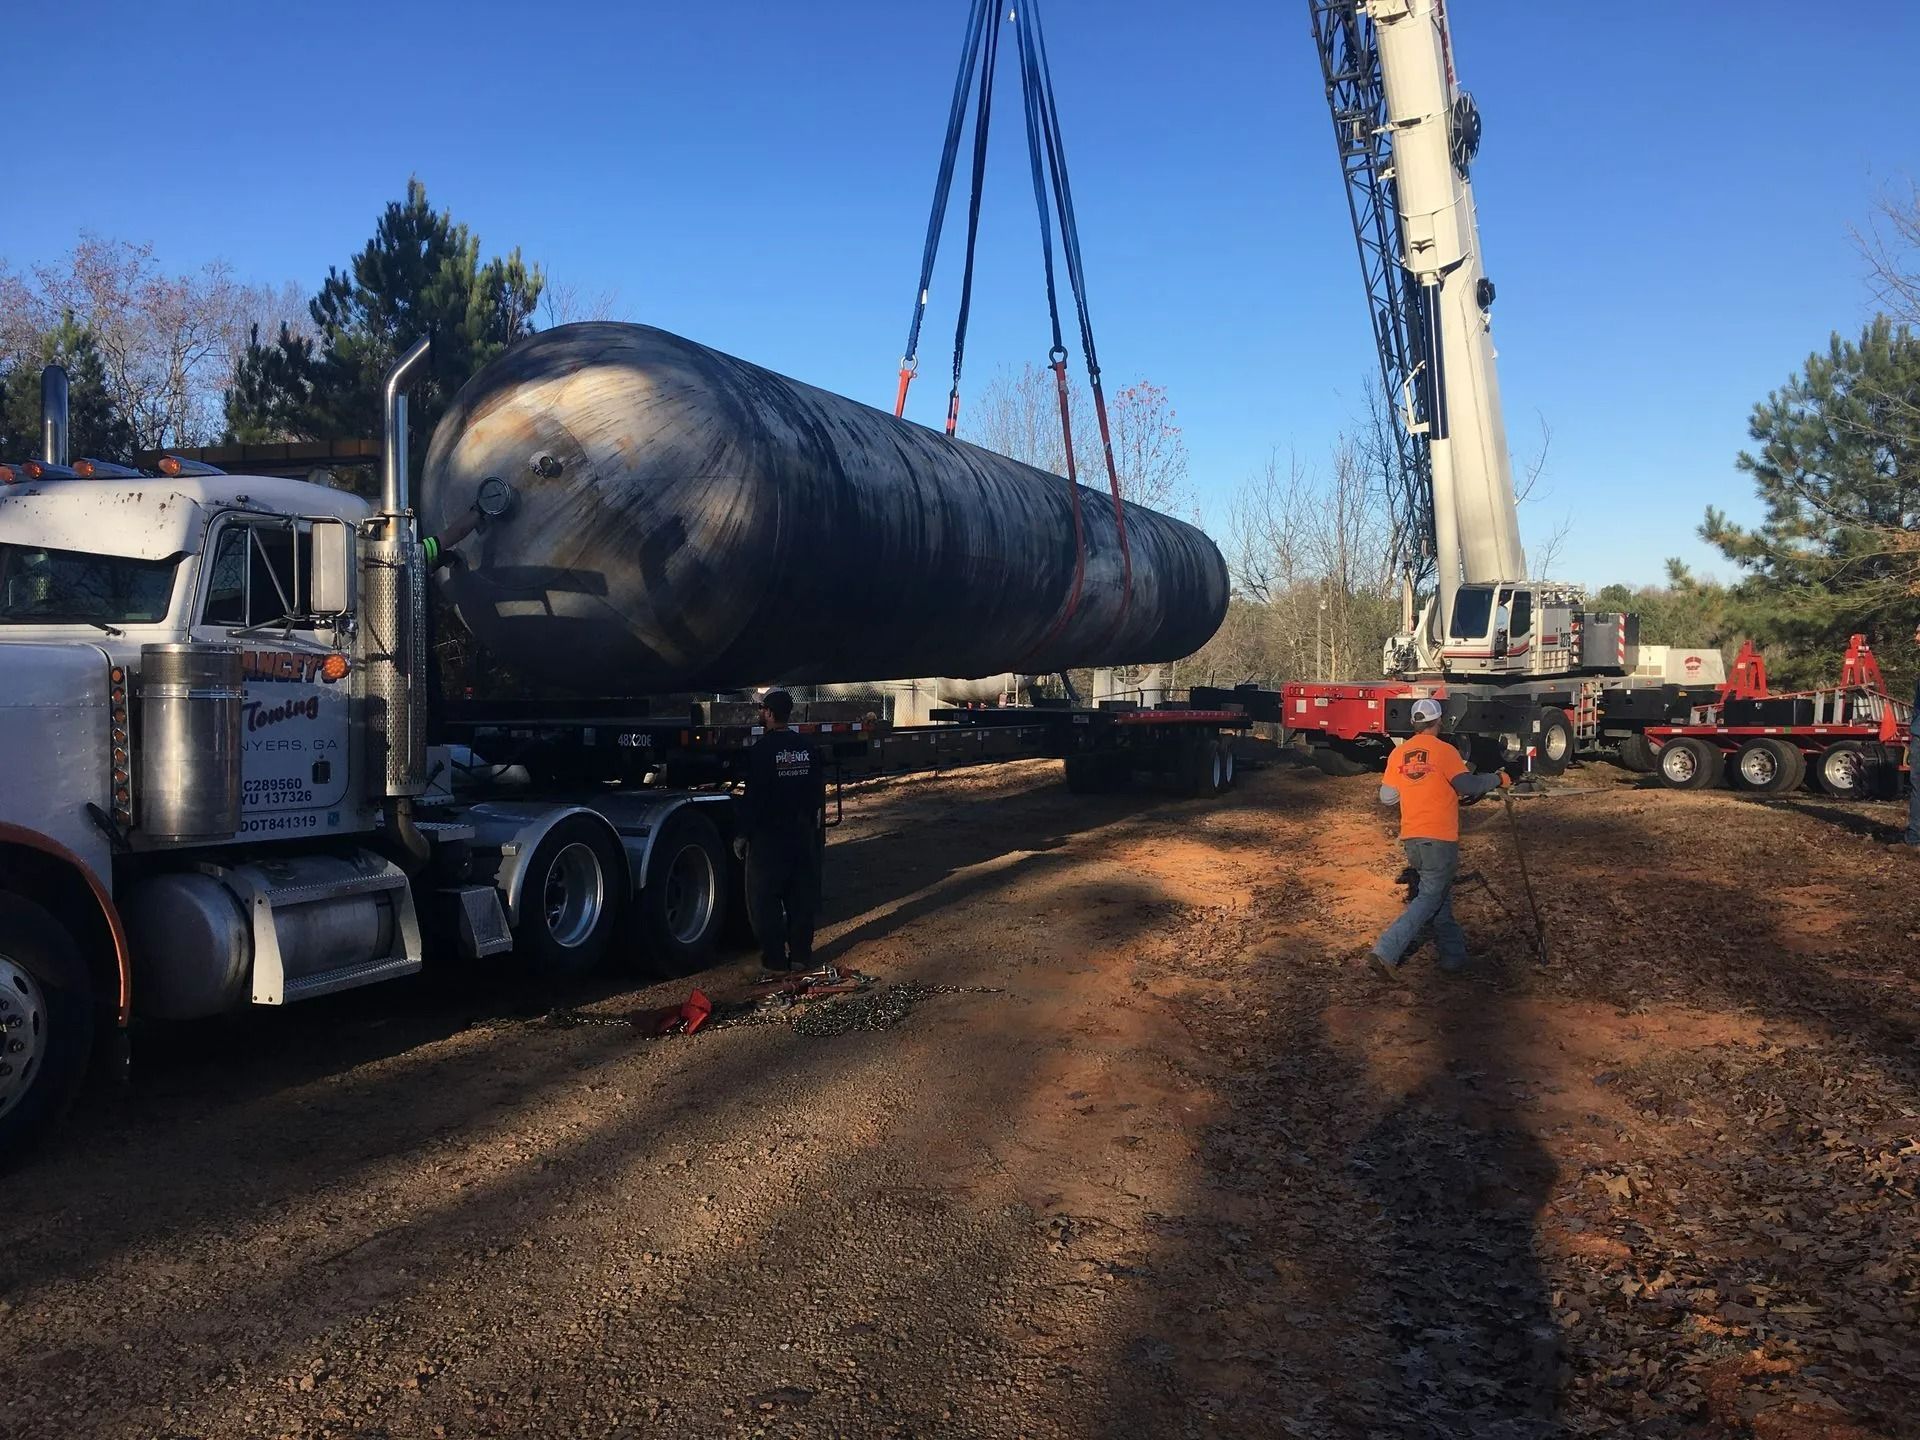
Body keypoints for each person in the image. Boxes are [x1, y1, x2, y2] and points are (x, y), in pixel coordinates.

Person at [1367, 697, 1509, 978]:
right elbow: (1467, 785)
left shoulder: (1399, 754)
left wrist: (1414, 786)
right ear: (1439, 721)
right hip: (1439, 837)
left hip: (1412, 839)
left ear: (1413, 723)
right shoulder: (1445, 751)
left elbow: (1386, 797)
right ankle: (1385, 951)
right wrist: (1499, 779)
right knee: (1429, 898)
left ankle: (1454, 956)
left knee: (1438, 896)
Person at [735, 689, 827, 973]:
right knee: (802, 896)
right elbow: (816, 793)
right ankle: (800, 956)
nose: (761, 713)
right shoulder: (807, 748)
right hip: (802, 832)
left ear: (771, 714)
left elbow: (754, 798)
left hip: (769, 837)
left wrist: (742, 833)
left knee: (764, 900)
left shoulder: (761, 752)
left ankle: (774, 960)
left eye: (763, 709)